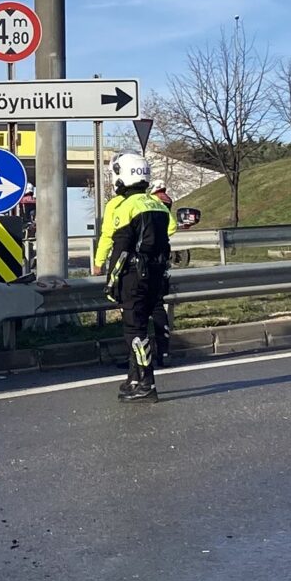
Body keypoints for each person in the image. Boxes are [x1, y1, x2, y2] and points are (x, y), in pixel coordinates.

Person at [93, 151, 174, 400]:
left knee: (134, 330)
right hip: (157, 276)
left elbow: (120, 250)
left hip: (134, 277)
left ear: (123, 176)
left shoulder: (125, 207)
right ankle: (134, 377)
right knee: (139, 326)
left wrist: (110, 282)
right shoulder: (157, 204)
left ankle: (146, 383)